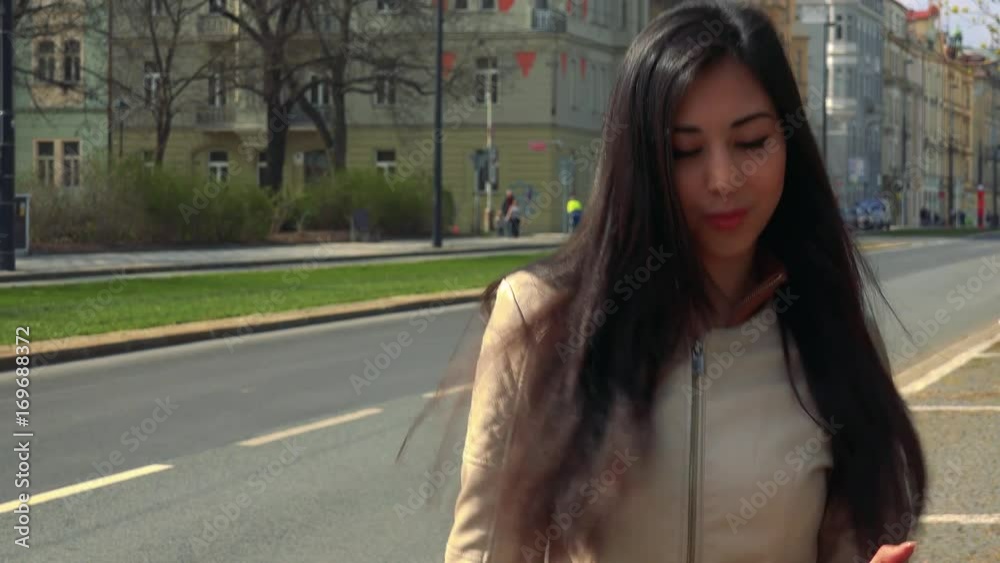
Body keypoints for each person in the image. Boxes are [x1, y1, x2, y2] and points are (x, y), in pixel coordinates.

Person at [399, 3, 926, 562]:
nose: (723, 179)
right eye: (685, 151)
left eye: (750, 143)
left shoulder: (833, 331)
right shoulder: (540, 319)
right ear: (640, 160)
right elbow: (486, 550)